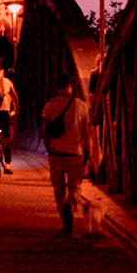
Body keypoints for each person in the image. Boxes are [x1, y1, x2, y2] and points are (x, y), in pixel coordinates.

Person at [42, 80, 95, 235]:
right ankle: (69, 203)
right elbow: (86, 134)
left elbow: (44, 130)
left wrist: (48, 148)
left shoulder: (50, 105)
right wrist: (89, 155)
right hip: (75, 154)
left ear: (58, 88)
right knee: (75, 187)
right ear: (71, 87)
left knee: (58, 188)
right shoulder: (82, 106)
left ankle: (66, 223)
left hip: (56, 154)